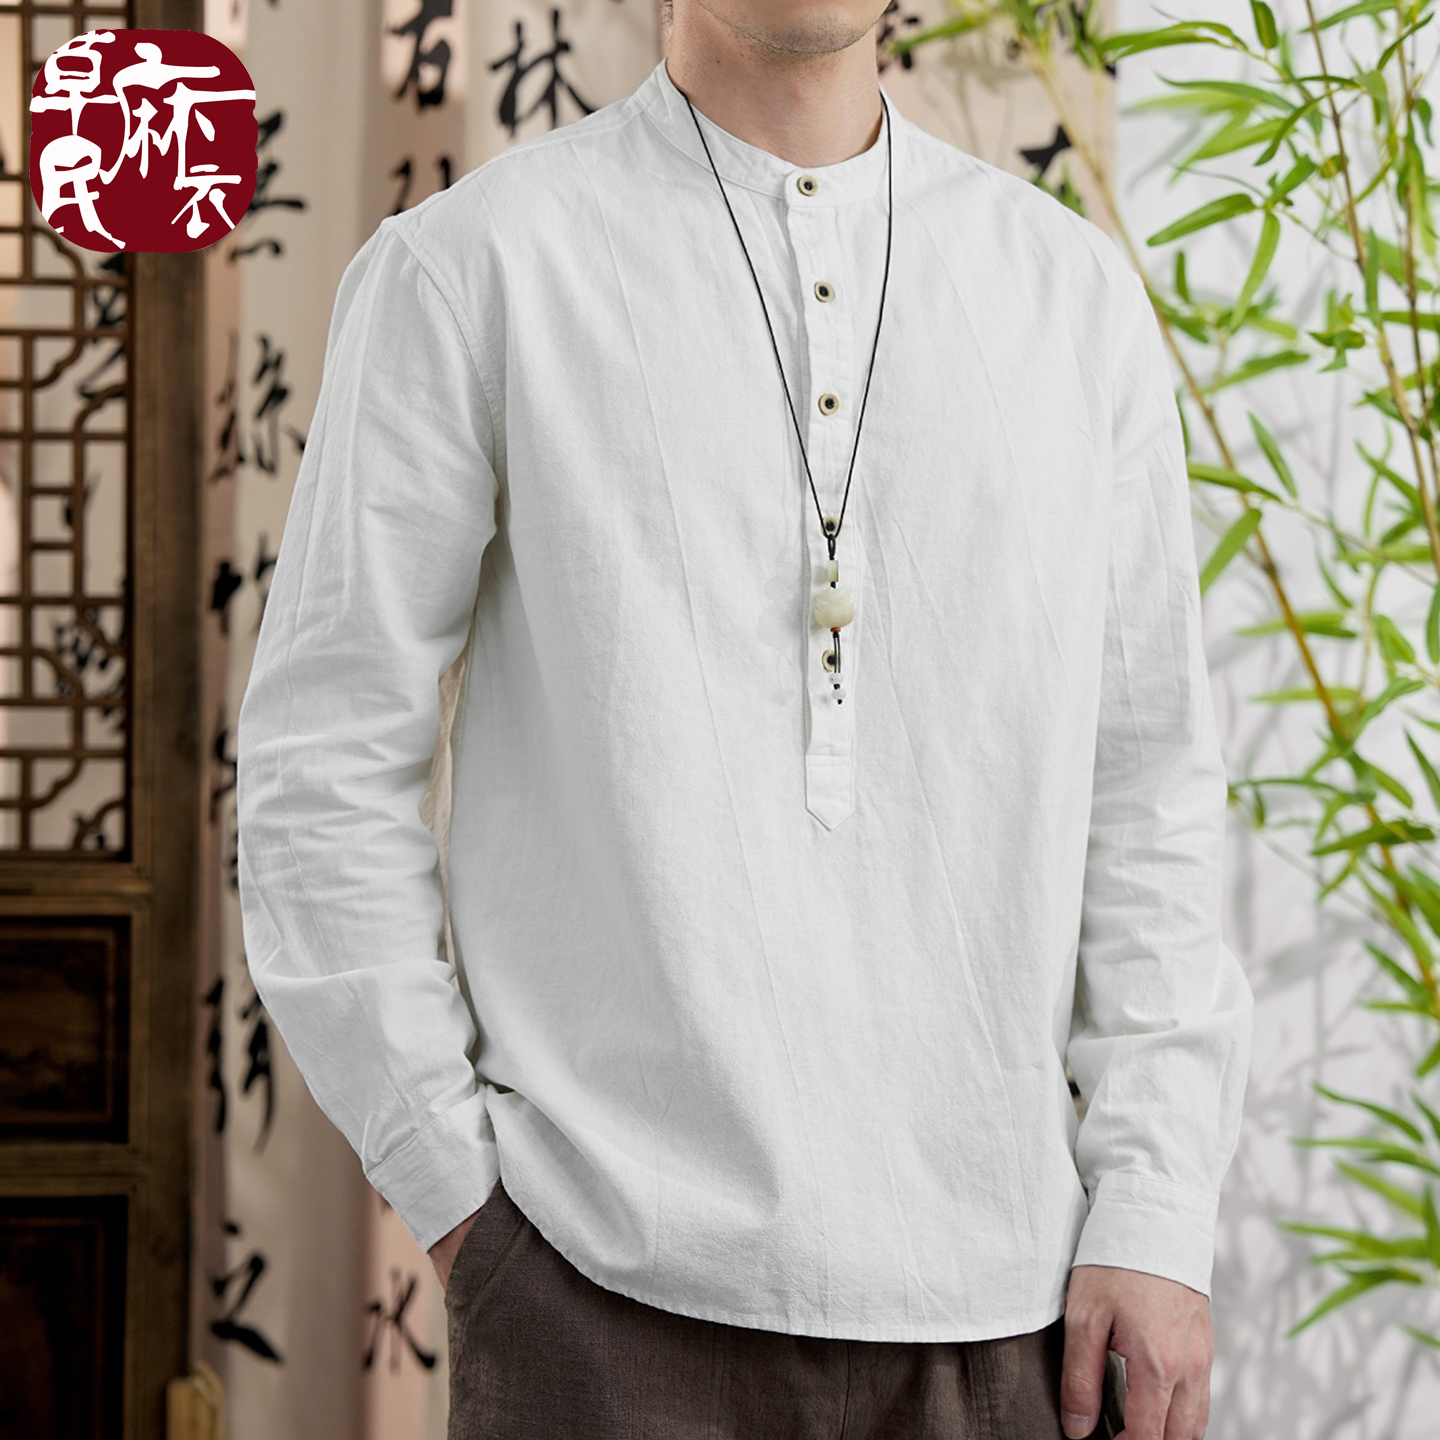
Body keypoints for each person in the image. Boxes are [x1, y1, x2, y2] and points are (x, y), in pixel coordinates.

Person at [235, 2, 1254, 1437]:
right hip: (597, 1292)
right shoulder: (474, 269)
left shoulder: (1071, 297)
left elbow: (1148, 791)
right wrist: (468, 1213)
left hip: (1013, 1310)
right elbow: (318, 773)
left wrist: (1155, 1204)